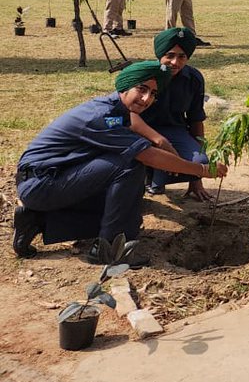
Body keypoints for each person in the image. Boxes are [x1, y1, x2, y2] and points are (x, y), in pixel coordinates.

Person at [12, 60, 228, 262]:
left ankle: (38, 221)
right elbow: (147, 155)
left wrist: (160, 140)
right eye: (141, 89)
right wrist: (201, 169)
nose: (146, 99)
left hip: (51, 179)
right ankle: (109, 250)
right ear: (125, 87)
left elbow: (137, 131)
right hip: (41, 184)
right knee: (130, 165)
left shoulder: (115, 109)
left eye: (153, 93)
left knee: (129, 211)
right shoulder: (101, 116)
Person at [142, 28, 211, 201]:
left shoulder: (194, 78)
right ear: (160, 56)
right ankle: (147, 180)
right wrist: (159, 141)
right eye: (170, 55)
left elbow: (196, 119)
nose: (175, 62)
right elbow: (129, 115)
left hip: (175, 131)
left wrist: (196, 179)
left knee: (200, 161)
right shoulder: (144, 75)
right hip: (141, 131)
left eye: (182, 57)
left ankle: (157, 180)